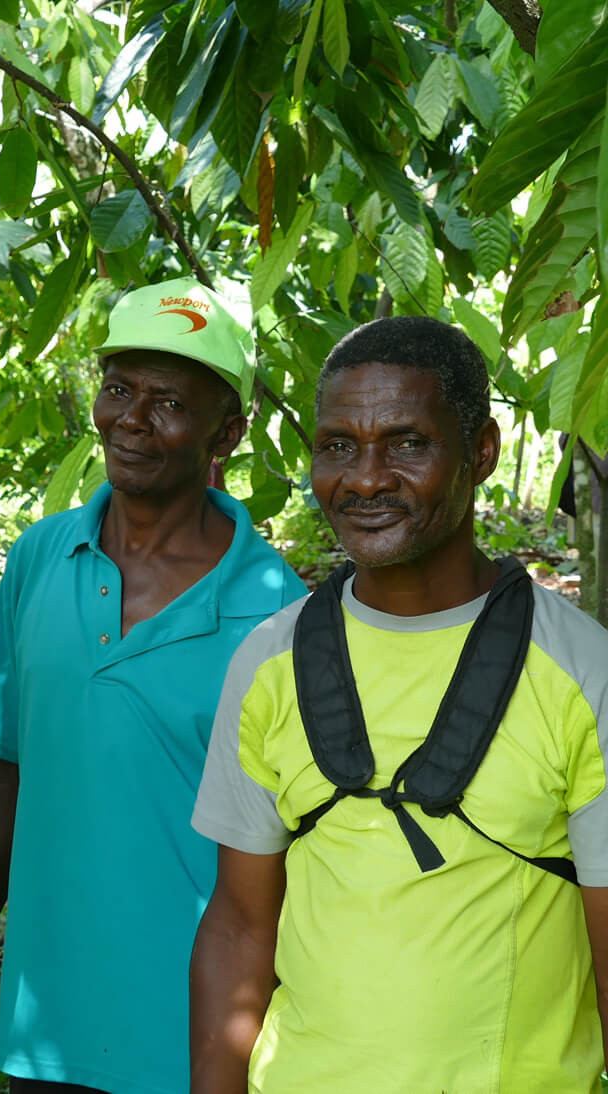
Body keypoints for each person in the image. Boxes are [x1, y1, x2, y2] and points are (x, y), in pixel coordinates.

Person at [188, 316, 608, 1093]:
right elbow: (241, 926)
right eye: (338, 446)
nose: (366, 479)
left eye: (407, 443)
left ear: (481, 452)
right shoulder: (271, 664)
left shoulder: (581, 671)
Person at [0, 276, 307, 1094]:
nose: (132, 419)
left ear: (227, 432)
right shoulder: (39, 558)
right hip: (45, 1031)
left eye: (168, 402)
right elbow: (15, 769)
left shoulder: (277, 611)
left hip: (195, 1043)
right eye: (118, 388)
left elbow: (292, 849)